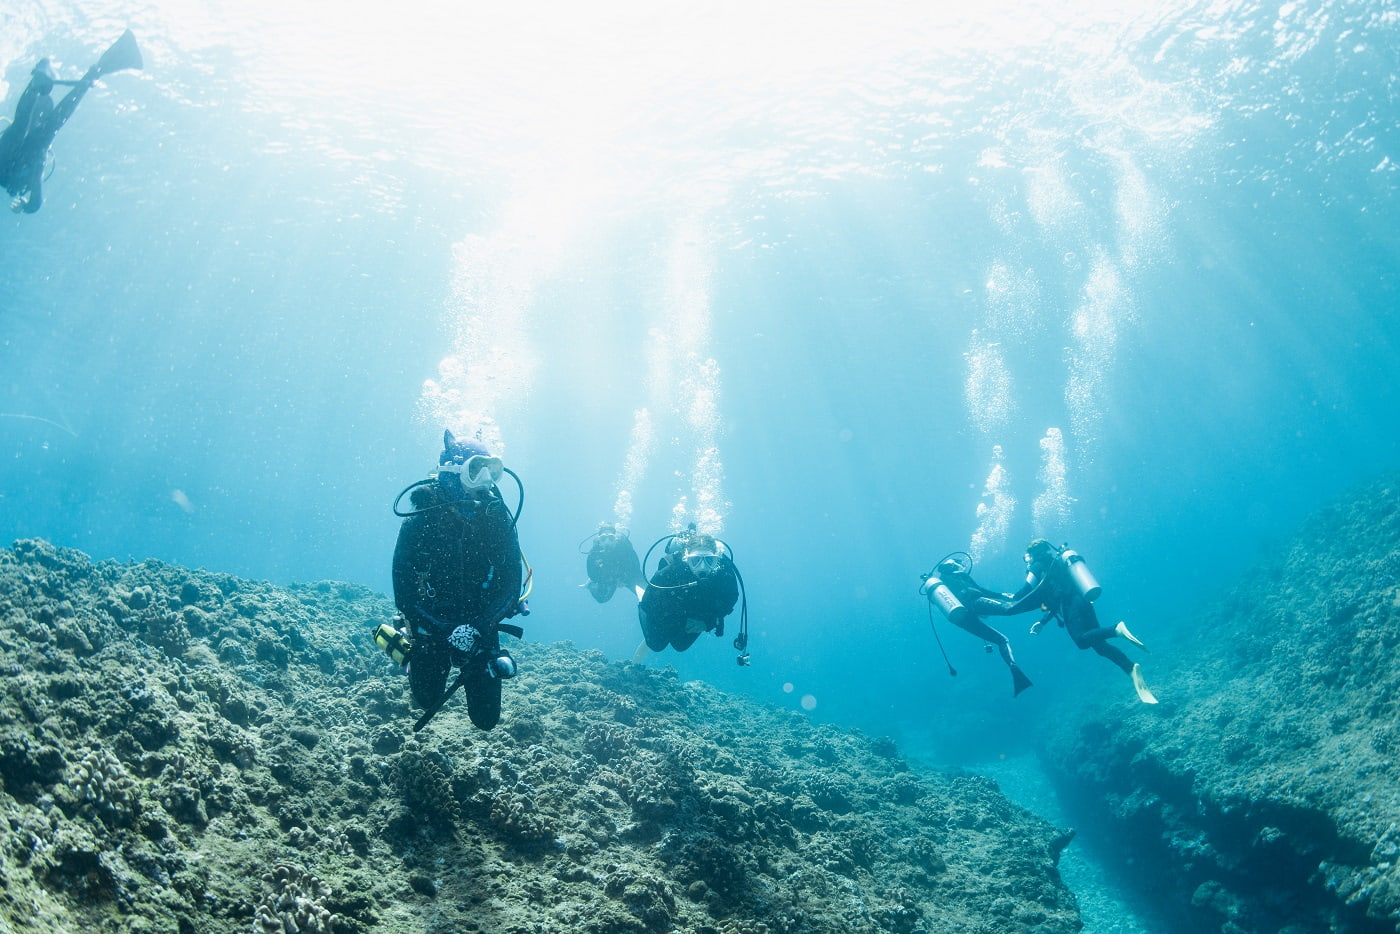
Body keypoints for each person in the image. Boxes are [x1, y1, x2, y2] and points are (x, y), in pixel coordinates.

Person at [389, 430, 530, 731]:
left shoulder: (498, 517)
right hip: (431, 622)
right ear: (452, 471)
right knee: (426, 699)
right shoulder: (420, 518)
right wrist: (443, 630)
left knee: (486, 719)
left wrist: (477, 628)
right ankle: (407, 651)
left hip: (480, 624)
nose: (485, 482)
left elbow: (510, 585)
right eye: (475, 470)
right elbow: (403, 593)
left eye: (491, 471)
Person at [997, 538, 1156, 704]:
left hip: (1071, 606)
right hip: (1083, 601)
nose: (1027, 561)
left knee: (1081, 640)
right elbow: (1053, 599)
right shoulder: (1057, 563)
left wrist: (1011, 598)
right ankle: (1130, 668)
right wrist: (1042, 622)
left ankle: (1116, 629)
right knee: (1099, 645)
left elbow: (1026, 590)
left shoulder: (1037, 566)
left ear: (1032, 554)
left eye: (1027, 557)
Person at [0, 30, 142, 214]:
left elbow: (35, 203)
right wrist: (26, 204)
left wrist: (25, 205)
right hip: (17, 164)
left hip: (7, 163)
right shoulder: (39, 151)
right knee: (49, 125)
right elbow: (36, 201)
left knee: (32, 125)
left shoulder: (36, 150)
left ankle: (40, 84)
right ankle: (41, 84)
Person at [625, 524, 746, 663]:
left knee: (680, 646)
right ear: (686, 558)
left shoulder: (724, 573)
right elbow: (648, 601)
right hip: (666, 609)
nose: (702, 567)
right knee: (656, 644)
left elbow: (731, 598)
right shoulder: (672, 569)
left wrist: (709, 622)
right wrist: (669, 618)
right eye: (695, 560)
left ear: (717, 560)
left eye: (709, 560)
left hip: (695, 612)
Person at [925, 555, 1033, 697]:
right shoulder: (958, 574)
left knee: (1001, 640)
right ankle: (1042, 601)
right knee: (1010, 609)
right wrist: (1002, 596)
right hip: (975, 603)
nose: (962, 566)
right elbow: (980, 590)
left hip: (962, 619)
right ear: (954, 565)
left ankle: (1013, 667)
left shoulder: (942, 585)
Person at [581, 522, 646, 603]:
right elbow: (591, 574)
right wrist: (609, 579)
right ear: (599, 541)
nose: (607, 542)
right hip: (608, 578)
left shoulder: (624, 546)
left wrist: (624, 577)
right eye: (603, 538)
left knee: (648, 594)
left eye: (611, 538)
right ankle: (591, 584)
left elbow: (635, 567)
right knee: (601, 598)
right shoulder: (595, 551)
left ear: (615, 539)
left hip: (627, 576)